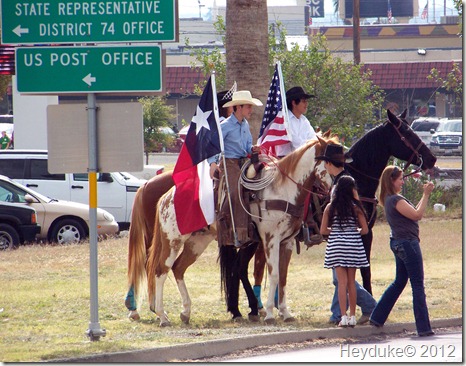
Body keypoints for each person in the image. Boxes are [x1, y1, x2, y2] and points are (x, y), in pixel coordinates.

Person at [370, 165, 435, 337]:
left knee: (400, 281)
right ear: (392, 181)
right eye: (400, 178)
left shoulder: (390, 199)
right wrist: (426, 195)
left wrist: (424, 195)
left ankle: (377, 317)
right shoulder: (395, 200)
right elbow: (417, 215)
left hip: (399, 243)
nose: (403, 181)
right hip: (408, 243)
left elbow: (414, 212)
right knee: (417, 285)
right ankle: (423, 328)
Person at [315, 143, 377, 325]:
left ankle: (368, 306)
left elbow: (356, 206)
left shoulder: (344, 182)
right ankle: (340, 313)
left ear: (328, 164)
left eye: (325, 163)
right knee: (341, 280)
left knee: (341, 280)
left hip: (344, 238)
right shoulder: (341, 180)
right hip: (350, 237)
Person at [208, 90, 263, 248]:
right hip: (229, 163)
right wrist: (212, 163)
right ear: (238, 107)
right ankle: (236, 233)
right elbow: (213, 145)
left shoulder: (245, 124)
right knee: (235, 191)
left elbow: (246, 147)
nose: (251, 110)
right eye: (248, 107)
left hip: (243, 161)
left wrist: (253, 149)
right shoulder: (224, 126)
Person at [320, 175, 369, 327]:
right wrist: (353, 231)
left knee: (341, 283)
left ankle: (343, 317)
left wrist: (335, 230)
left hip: (336, 246)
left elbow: (323, 230)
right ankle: (353, 316)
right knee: (351, 283)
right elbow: (365, 230)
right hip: (352, 246)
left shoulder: (330, 207)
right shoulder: (356, 207)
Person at [275, 86, 317, 158]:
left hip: (302, 158)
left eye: (306, 101)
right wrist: (310, 146)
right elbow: (296, 143)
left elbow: (314, 139)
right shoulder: (284, 119)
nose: (306, 104)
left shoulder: (304, 120)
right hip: (285, 160)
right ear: (294, 103)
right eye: (303, 101)